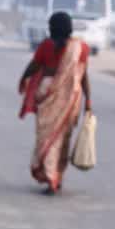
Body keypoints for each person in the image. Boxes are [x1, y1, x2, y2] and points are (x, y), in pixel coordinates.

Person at [18, 11, 92, 195]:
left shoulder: (46, 46)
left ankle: (51, 178)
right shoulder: (80, 48)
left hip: (47, 92)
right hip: (70, 98)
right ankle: (56, 176)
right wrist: (88, 99)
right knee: (62, 138)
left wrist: (24, 77)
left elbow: (35, 65)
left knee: (46, 137)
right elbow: (83, 76)